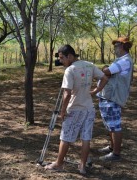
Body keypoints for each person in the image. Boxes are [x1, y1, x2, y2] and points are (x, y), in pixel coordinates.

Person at [45, 44, 108, 174]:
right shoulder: (89, 65)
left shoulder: (70, 70)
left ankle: (59, 163)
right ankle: (82, 166)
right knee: (86, 138)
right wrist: (96, 90)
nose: (61, 61)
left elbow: (67, 93)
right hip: (89, 108)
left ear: (70, 56)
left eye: (62, 58)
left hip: (74, 109)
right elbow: (104, 78)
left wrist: (63, 111)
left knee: (66, 137)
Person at [97, 37, 133, 161]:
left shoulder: (124, 61)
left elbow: (107, 71)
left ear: (122, 46)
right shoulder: (120, 60)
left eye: (116, 46)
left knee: (115, 125)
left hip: (114, 97)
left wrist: (104, 69)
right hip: (109, 96)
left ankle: (116, 154)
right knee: (110, 125)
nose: (114, 48)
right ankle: (112, 148)